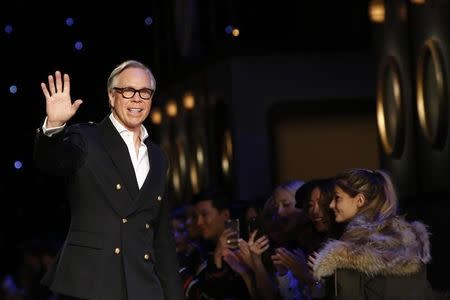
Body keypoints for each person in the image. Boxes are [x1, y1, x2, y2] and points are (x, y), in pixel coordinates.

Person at [34, 60, 183, 300]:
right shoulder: (86, 138)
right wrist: (54, 127)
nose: (137, 99)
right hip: (93, 283)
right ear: (112, 97)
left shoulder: (158, 156)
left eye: (145, 92)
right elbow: (50, 162)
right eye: (128, 91)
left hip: (143, 285)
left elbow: (162, 238)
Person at [310, 169, 433, 300]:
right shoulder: (411, 239)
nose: (331, 205)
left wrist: (316, 281)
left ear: (360, 200)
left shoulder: (349, 251)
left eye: (337, 198)